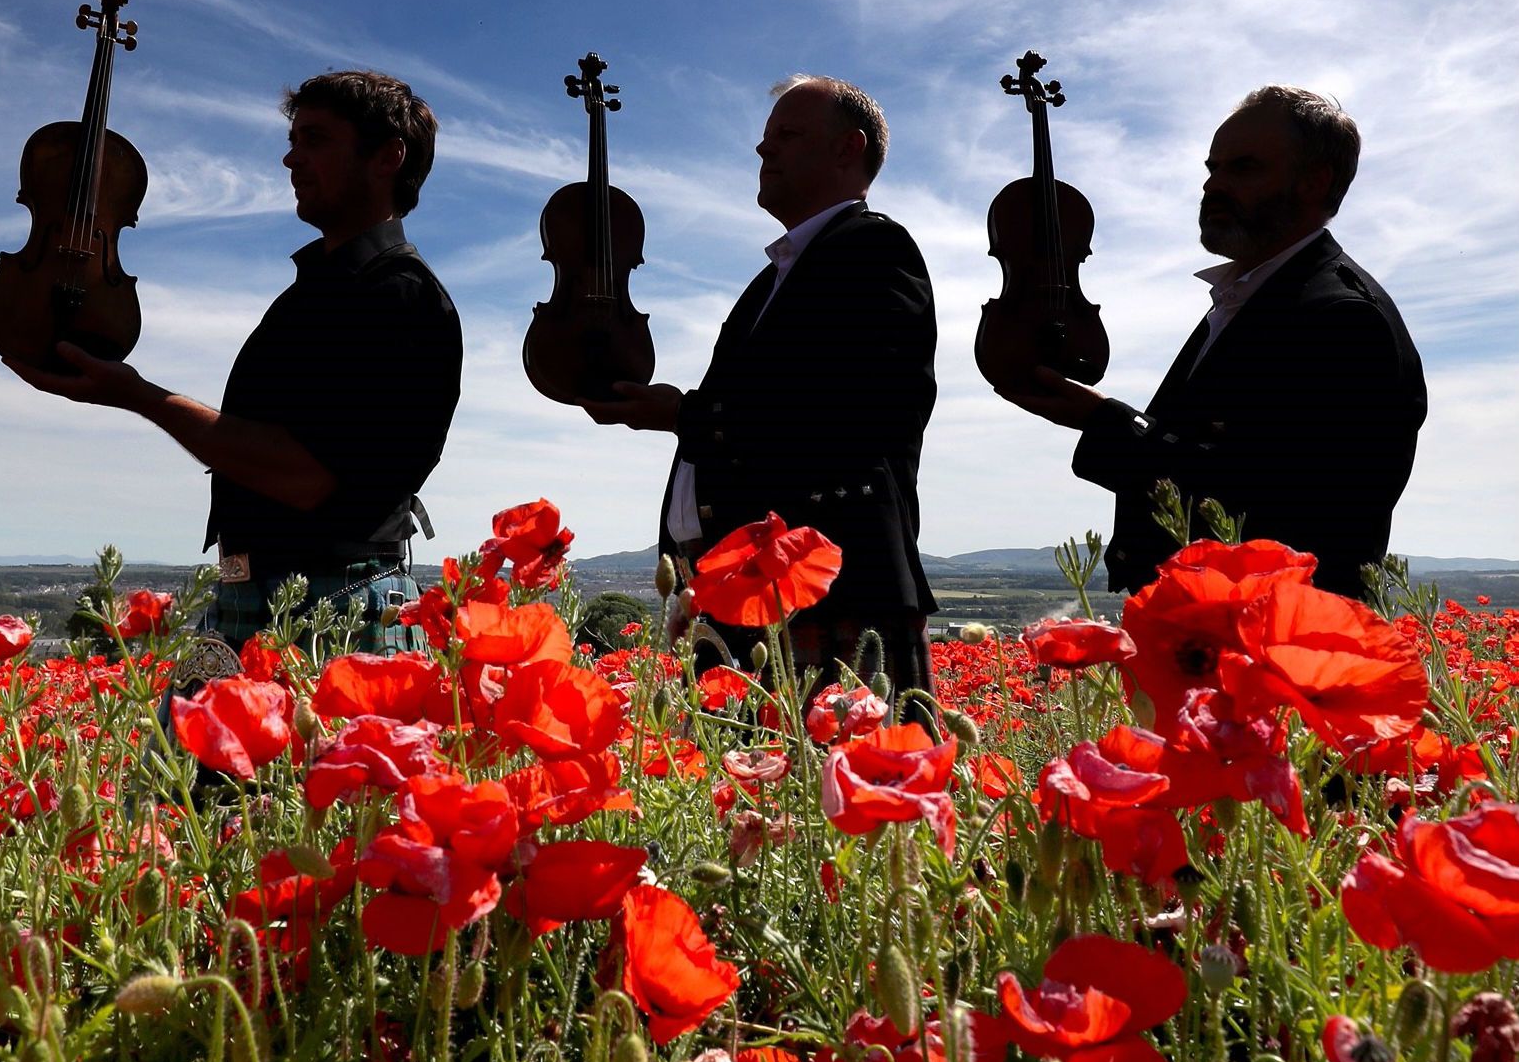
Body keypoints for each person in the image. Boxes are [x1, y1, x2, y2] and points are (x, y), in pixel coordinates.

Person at [5, 69, 463, 647]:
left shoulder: (403, 297)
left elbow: (307, 477)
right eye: (292, 140)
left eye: (315, 140)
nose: (289, 160)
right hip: (266, 599)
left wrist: (138, 395)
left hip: (330, 610)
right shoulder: (321, 291)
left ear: (387, 157)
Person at [998, 85, 1427, 599]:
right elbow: (1211, 451)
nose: (1214, 186)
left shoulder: (1344, 318)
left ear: (1314, 182)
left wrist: (1105, 422)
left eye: (1242, 168)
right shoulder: (1249, 298)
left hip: (1271, 639)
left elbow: (1266, 502)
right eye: (1212, 169)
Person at [587, 75, 939, 697]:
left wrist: (687, 416)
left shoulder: (876, 248)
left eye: (787, 134)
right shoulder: (770, 281)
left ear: (845, 148)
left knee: (852, 790)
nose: (762, 150)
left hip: (829, 589)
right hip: (755, 596)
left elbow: (864, 408)